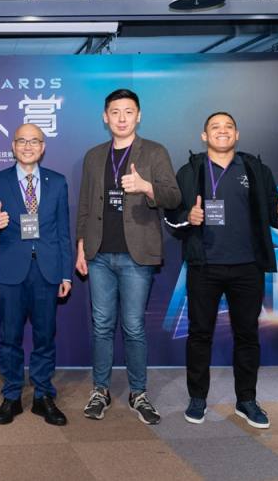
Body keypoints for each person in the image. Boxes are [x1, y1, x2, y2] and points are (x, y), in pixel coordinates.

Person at [165, 111, 278, 429]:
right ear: (204, 136)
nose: (222, 131)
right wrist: (188, 218)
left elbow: (274, 216)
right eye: (215, 127)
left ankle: (246, 400)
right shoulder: (190, 171)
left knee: (247, 335)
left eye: (228, 127)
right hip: (204, 266)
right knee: (199, 335)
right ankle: (198, 399)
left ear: (237, 135)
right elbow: (172, 217)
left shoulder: (256, 169)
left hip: (247, 267)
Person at [76, 89, 180, 425]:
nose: (122, 118)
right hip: (99, 254)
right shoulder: (93, 156)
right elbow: (85, 206)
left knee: (134, 326)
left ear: (139, 116)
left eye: (128, 112)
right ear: (105, 117)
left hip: (137, 255)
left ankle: (138, 392)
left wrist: (146, 186)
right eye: (115, 112)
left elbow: (173, 196)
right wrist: (80, 245)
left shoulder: (154, 152)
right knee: (101, 326)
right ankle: (100, 390)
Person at [0, 123, 73, 426]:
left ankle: (42, 396)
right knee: (9, 338)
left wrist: (66, 274)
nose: (27, 146)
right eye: (21, 140)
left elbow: (63, 232)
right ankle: (11, 396)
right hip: (11, 271)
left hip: (48, 271)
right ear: (13, 145)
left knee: (45, 337)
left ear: (43, 146)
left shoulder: (57, 182)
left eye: (34, 141)